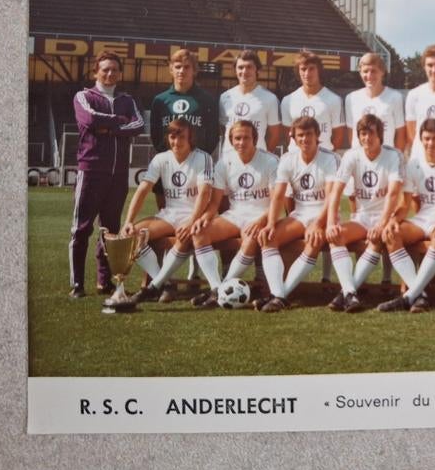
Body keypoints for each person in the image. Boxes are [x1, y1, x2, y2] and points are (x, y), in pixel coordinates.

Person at [67, 51, 145, 298]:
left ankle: (105, 282)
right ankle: (77, 284)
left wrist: (108, 128)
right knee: (81, 229)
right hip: (91, 170)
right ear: (95, 72)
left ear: (120, 73)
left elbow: (139, 125)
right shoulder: (84, 96)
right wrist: (119, 122)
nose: (110, 73)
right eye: (105, 69)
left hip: (118, 174)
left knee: (110, 230)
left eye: (114, 70)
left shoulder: (127, 100)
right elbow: (89, 119)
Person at [250, 116, 339, 312]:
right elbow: (278, 196)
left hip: (323, 214)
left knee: (314, 241)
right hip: (300, 214)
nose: (305, 139)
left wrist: (318, 223)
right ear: (294, 138)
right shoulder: (288, 159)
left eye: (309, 134)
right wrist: (271, 223)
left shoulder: (330, 158)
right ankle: (278, 295)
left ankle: (279, 296)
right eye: (301, 135)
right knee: (267, 238)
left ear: (317, 136)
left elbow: (332, 197)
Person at [190, 120, 279, 307]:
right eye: (237, 138)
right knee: (199, 232)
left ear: (255, 138)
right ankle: (217, 289)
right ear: (231, 140)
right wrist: (205, 217)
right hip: (235, 215)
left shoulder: (270, 161)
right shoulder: (224, 164)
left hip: (260, 215)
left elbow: (275, 202)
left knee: (250, 239)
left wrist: (262, 220)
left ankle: (220, 290)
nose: (242, 142)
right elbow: (214, 203)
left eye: (246, 137)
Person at [125, 120, 216, 303]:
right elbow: (143, 189)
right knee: (133, 235)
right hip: (169, 215)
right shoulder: (161, 159)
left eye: (181, 137)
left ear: (190, 138)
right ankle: (165, 283)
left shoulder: (203, 158)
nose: (176, 142)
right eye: (173, 137)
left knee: (183, 237)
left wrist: (191, 221)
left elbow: (205, 193)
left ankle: (155, 286)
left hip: (194, 215)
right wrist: (128, 220)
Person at [376, 119, 435, 313]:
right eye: (426, 139)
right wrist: (393, 220)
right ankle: (419, 294)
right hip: (422, 219)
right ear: (421, 140)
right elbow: (405, 205)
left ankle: (410, 295)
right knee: (391, 234)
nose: (430, 143)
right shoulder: (414, 164)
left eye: (434, 139)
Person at [324, 114, 406, 313]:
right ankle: (350, 293)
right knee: (336, 236)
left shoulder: (393, 155)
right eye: (362, 134)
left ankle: (344, 294)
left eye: (371, 134)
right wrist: (330, 222)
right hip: (361, 217)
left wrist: (382, 223)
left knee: (377, 238)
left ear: (380, 136)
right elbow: (336, 190)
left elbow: (394, 193)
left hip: (384, 217)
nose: (366, 139)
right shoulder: (352, 155)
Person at [150, 48, 218, 156]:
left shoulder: (207, 100)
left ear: (194, 70)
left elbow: (213, 135)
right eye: (178, 67)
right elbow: (155, 135)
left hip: (196, 162)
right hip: (169, 161)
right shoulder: (160, 100)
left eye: (186, 67)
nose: (182, 71)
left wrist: (200, 157)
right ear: (171, 70)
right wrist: (166, 156)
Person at [218, 49, 282, 160]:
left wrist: (263, 155)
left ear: (257, 70)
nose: (244, 71)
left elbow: (275, 135)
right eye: (240, 67)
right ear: (235, 71)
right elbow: (224, 129)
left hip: (258, 161)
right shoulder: (225, 97)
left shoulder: (270, 98)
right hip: (229, 161)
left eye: (249, 67)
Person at [279, 51, 345, 153]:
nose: (307, 73)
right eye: (303, 69)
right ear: (298, 71)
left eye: (311, 69)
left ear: (318, 70)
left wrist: (325, 156)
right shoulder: (288, 100)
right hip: (296, 159)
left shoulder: (334, 99)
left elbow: (339, 135)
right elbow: (288, 134)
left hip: (324, 160)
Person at [344, 52, 406, 151]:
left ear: (382, 72)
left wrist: (397, 159)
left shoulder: (395, 97)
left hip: (386, 159)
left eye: (373, 71)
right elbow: (352, 134)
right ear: (360, 73)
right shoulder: (351, 99)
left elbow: (400, 134)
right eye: (365, 71)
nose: (369, 75)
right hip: (360, 160)